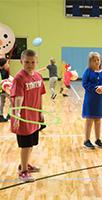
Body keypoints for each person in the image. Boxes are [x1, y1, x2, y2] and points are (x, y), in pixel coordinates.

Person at [10, 49, 46, 182]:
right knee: (25, 145)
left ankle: (25, 164)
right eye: (26, 62)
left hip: (34, 116)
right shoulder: (19, 78)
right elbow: (18, 98)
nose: (30, 65)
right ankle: (23, 172)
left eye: (32, 62)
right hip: (23, 117)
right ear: (21, 62)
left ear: (36, 62)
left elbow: (40, 96)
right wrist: (17, 115)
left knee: (31, 144)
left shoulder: (38, 77)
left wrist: (41, 112)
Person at [82, 52, 102, 149]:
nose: (97, 62)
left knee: (98, 120)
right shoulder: (88, 71)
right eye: (94, 60)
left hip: (100, 100)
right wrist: (95, 88)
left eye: (98, 60)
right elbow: (84, 84)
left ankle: (98, 139)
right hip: (90, 99)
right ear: (90, 62)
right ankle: (86, 140)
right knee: (89, 119)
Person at [0, 58, 11, 122]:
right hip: (2, 90)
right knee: (2, 103)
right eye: (7, 63)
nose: (8, 64)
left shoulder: (6, 71)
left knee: (11, 101)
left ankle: (9, 115)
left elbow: (7, 81)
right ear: (3, 64)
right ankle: (2, 116)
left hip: (5, 89)